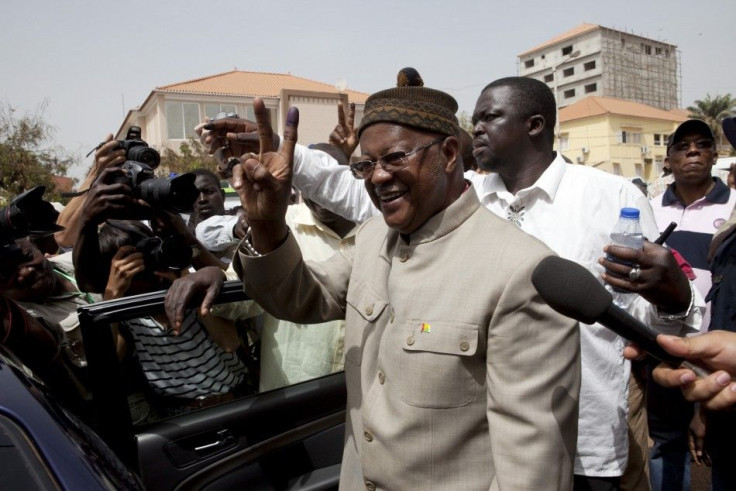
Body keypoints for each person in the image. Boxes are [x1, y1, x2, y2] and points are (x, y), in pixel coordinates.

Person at [196, 75, 703, 490]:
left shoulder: (521, 271)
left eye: (395, 158)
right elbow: (300, 297)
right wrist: (266, 224)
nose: (376, 177)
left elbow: (529, 470)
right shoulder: (374, 237)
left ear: (448, 154)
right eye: (366, 164)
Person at [646, 119, 736, 490]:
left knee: (720, 446)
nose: (694, 151)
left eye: (702, 144)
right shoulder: (648, 208)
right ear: (668, 159)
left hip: (722, 352)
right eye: (683, 146)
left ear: (715, 155)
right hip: (665, 350)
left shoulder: (733, 207)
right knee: (666, 440)